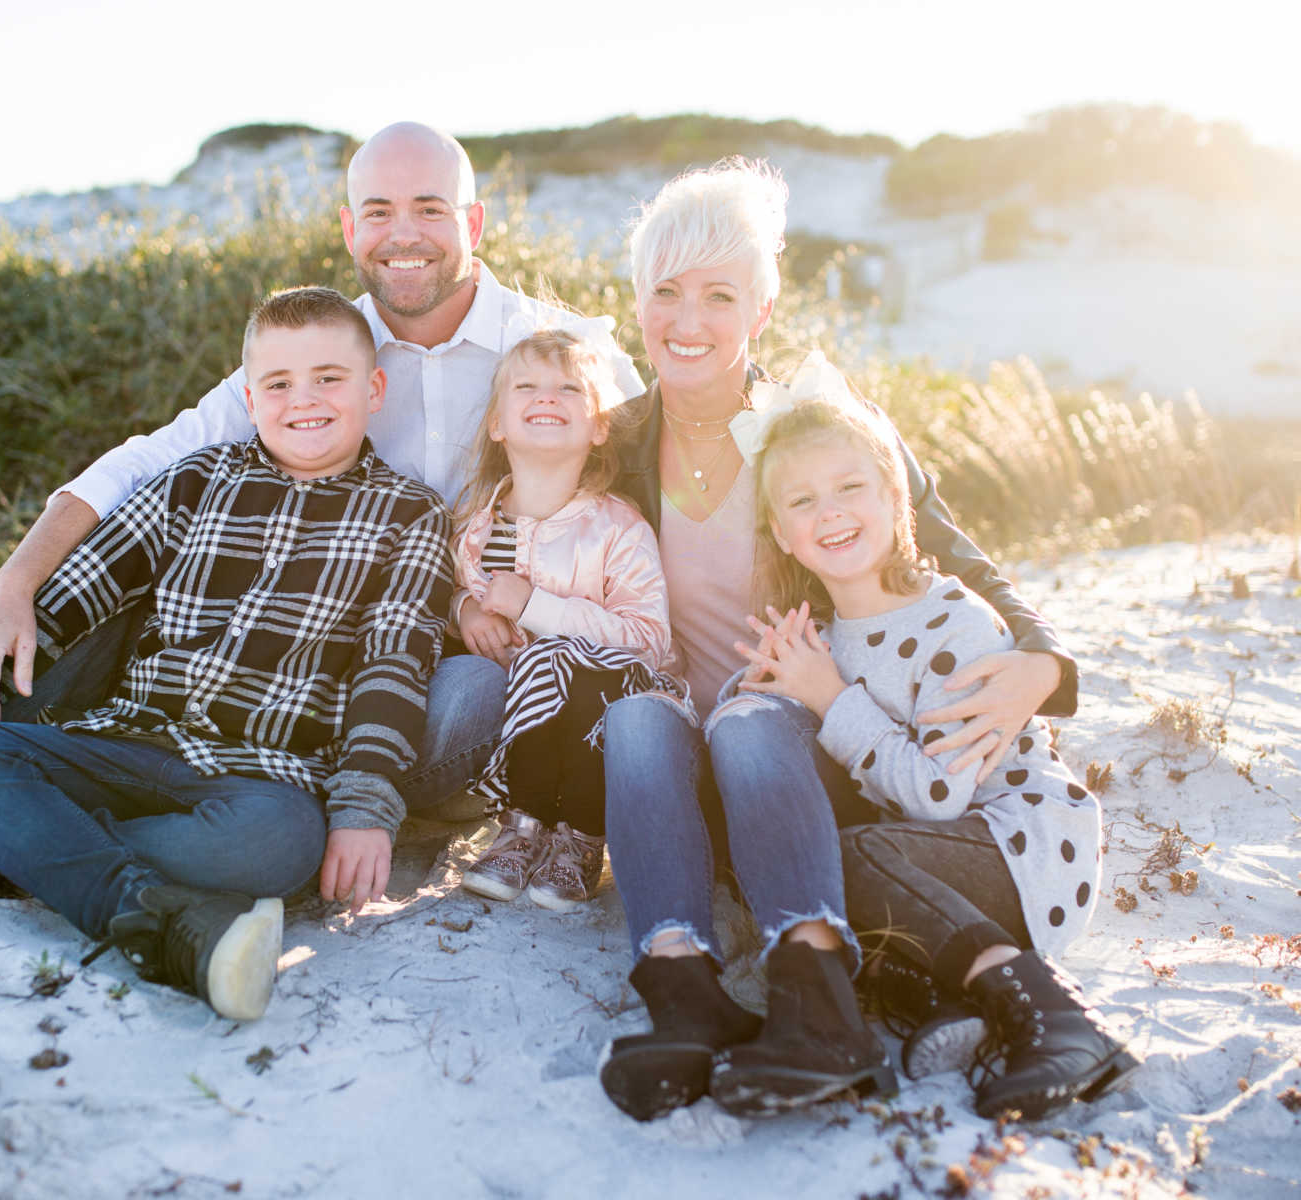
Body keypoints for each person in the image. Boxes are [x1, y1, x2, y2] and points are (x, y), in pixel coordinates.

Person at [0, 121, 642, 854]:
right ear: (349, 228)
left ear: (474, 224)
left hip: (443, 659)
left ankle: (279, 813)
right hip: (295, 646)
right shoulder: (322, 352)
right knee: (128, 577)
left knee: (472, 691)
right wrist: (9, 585)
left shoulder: (562, 351)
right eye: (381, 212)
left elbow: (661, 483)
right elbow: (141, 466)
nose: (406, 236)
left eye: (432, 209)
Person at [595, 159, 1083, 1123]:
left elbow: (954, 557)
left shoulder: (818, 433)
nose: (688, 320)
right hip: (694, 753)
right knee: (638, 720)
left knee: (750, 719)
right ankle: (685, 1001)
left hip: (810, 740)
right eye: (666, 292)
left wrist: (1044, 663)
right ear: (637, 302)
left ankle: (819, 1006)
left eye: (719, 295)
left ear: (761, 313)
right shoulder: (612, 441)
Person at [0, 287, 451, 1020]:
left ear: (374, 389)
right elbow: (67, 601)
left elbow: (393, 665)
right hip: (125, 744)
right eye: (280, 383)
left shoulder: (410, 514)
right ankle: (155, 916)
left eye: (330, 378)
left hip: (262, 779)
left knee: (280, 846)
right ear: (250, 397)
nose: (306, 401)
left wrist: (364, 808)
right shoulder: (196, 481)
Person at [722, 351, 1134, 1120]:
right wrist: (766, 688)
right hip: (924, 867)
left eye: (851, 488)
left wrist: (831, 697)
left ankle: (1060, 1019)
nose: (831, 512)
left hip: (1020, 848)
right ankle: (952, 1003)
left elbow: (942, 796)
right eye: (803, 501)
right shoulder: (825, 635)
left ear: (894, 497)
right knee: (806, 867)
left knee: (853, 855)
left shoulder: (956, 621)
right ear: (780, 531)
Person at [450, 322, 682, 910]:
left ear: (599, 426)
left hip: (601, 716)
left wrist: (536, 607)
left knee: (564, 659)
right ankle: (521, 826)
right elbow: (440, 592)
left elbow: (649, 641)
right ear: (498, 424)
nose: (547, 397)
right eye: (525, 386)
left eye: (570, 390)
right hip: (517, 726)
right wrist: (465, 609)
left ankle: (580, 835)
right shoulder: (475, 524)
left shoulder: (617, 527)